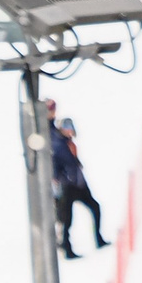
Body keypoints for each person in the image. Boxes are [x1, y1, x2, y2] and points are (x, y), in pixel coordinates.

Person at [50, 109, 108, 259]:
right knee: (66, 219)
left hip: (78, 183)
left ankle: (98, 239)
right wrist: (63, 178)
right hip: (67, 186)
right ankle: (66, 248)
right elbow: (55, 167)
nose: (69, 132)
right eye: (66, 129)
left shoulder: (67, 143)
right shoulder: (57, 142)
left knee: (95, 207)